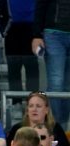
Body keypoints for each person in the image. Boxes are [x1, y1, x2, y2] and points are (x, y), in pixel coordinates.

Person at [32, 0, 70, 129]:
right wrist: (37, 35)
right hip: (53, 34)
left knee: (67, 85)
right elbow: (40, 6)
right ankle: (56, 126)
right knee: (56, 82)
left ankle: (63, 125)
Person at [6, 92, 70, 146]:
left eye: (38, 106)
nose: (34, 109)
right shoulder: (17, 128)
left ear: (46, 110)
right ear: (27, 110)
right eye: (31, 106)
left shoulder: (55, 128)